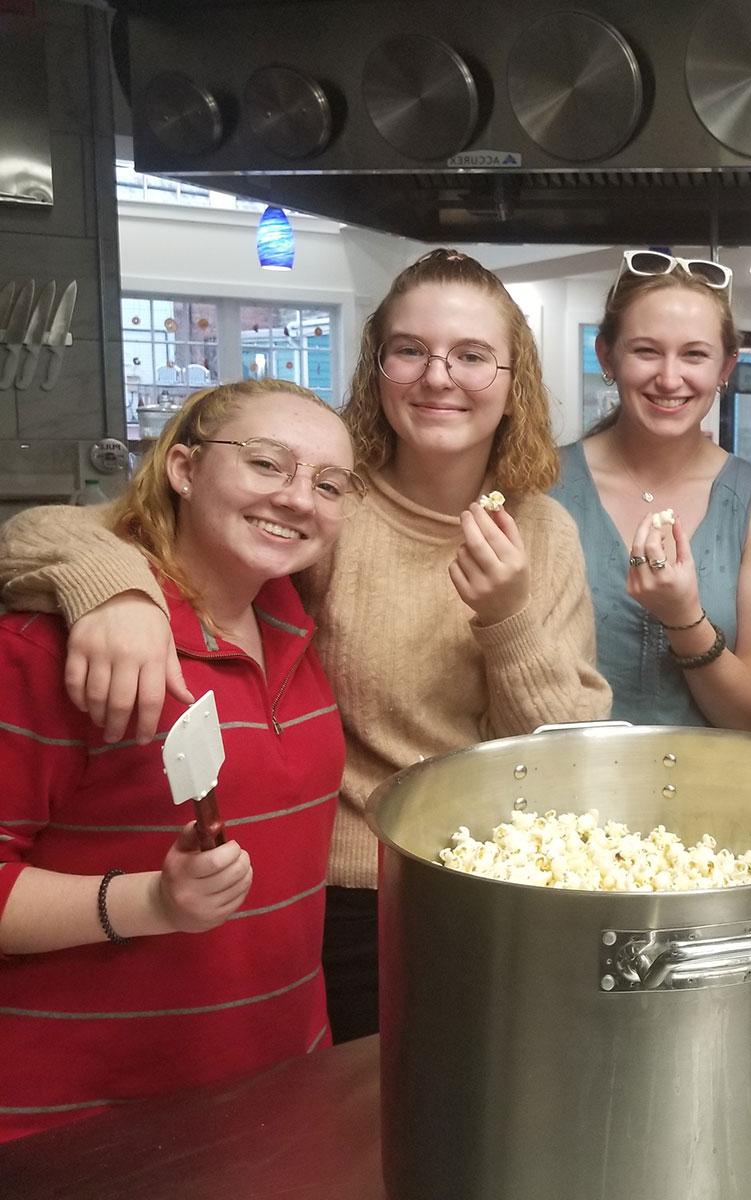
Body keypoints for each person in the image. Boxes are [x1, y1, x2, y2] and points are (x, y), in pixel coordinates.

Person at [0, 249, 612, 1045]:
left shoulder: (542, 531)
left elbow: (565, 750)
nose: (439, 377)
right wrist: (113, 586)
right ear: (377, 365)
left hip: (493, 884)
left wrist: (507, 617)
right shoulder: (326, 507)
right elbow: (70, 529)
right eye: (410, 350)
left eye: (471, 356)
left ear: (512, 378)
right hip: (338, 891)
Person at [0, 380, 354, 1142]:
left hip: (275, 1084)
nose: (299, 499)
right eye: (266, 464)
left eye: (329, 485)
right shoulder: (54, 645)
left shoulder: (295, 625)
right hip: (85, 1124)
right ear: (184, 469)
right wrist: (150, 904)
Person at [550, 251, 751, 728]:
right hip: (564, 789)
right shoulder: (542, 488)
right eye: (645, 351)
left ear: (725, 368)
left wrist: (684, 618)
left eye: (694, 354)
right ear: (607, 356)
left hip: (707, 791)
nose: (669, 377)